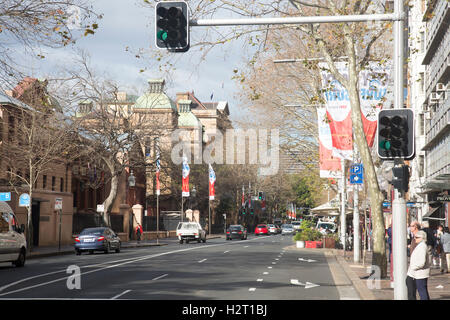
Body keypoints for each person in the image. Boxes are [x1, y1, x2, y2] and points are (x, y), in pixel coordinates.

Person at [406, 230, 431, 300]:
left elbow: (421, 262)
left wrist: (414, 267)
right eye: (414, 237)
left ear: (422, 238)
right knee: (422, 290)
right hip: (417, 273)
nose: (415, 238)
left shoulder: (422, 246)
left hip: (420, 273)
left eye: (417, 237)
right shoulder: (420, 245)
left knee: (422, 291)